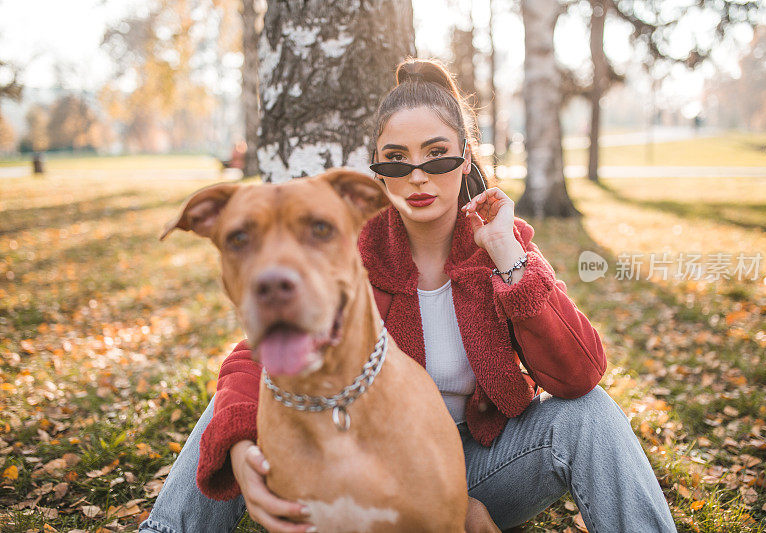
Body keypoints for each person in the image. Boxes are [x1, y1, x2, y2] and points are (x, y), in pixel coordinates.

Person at [140, 58, 677, 533]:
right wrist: (236, 444)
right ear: (377, 171)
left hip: (486, 462)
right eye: (397, 160)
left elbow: (578, 375)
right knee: (229, 406)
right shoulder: (351, 249)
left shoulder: (501, 246)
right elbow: (257, 356)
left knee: (591, 414)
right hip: (369, 461)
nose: (418, 177)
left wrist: (507, 256)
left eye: (438, 156)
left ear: (466, 160)